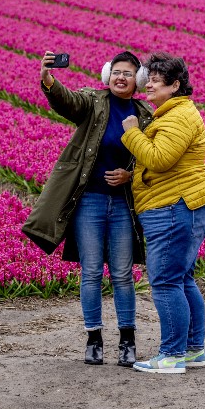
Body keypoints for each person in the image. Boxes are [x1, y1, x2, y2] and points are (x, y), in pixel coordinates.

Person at [22, 50, 152, 367]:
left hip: (123, 203)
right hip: (89, 201)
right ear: (108, 76)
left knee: (122, 274)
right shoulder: (93, 101)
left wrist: (130, 175)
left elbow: (154, 158)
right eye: (117, 72)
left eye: (129, 73)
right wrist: (48, 79)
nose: (122, 77)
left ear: (140, 79)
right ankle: (93, 339)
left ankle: (127, 341)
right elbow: (67, 101)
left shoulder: (146, 114)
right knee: (91, 272)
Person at [121, 52, 205, 374]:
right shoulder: (173, 113)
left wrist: (132, 132)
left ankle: (173, 355)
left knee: (165, 281)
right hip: (184, 204)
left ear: (175, 85)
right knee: (182, 278)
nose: (147, 84)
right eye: (147, 78)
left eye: (155, 80)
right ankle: (193, 350)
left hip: (176, 207)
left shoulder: (178, 117)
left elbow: (160, 159)